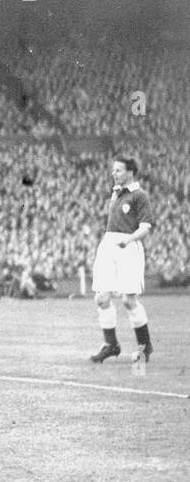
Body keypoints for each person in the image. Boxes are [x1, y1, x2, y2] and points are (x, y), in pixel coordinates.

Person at [90, 156, 155, 364]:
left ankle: (145, 348)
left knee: (128, 301)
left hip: (128, 248)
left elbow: (145, 227)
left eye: (118, 170)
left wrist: (129, 239)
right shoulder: (116, 193)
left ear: (130, 172)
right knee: (101, 298)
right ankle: (111, 345)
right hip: (109, 245)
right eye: (113, 170)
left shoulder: (139, 195)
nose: (113, 173)